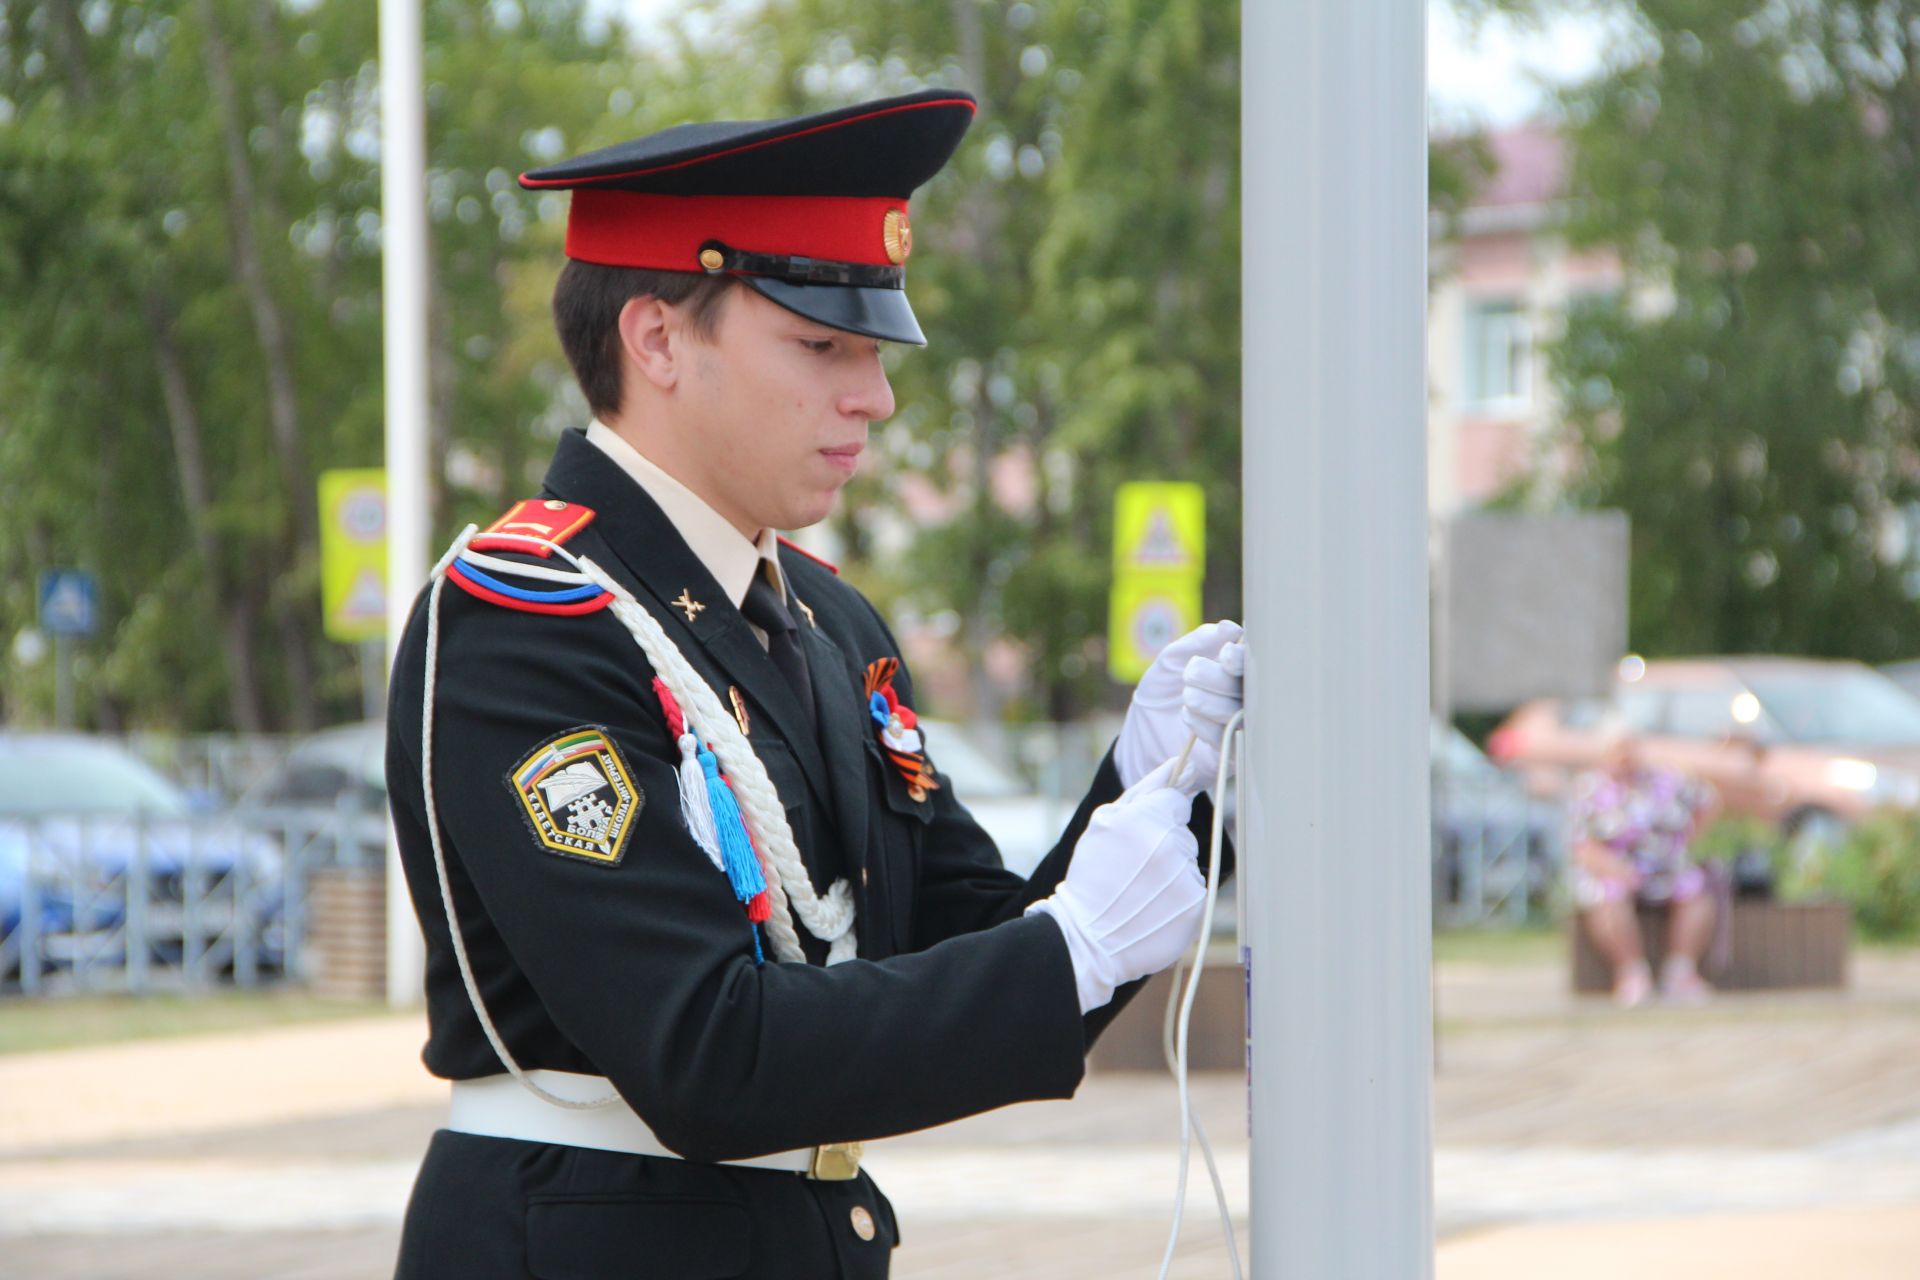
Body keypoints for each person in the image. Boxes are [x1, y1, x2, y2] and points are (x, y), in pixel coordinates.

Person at [384, 89, 1246, 1279]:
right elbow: (704, 1052)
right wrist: (1075, 945)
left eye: (874, 352)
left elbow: (981, 948)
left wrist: (1162, 783)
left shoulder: (821, 616)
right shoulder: (522, 620)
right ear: (657, 339)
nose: (874, 398)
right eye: (821, 344)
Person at [1569, 731, 1718, 1006]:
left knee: (1695, 888)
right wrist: (1614, 867)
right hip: (1614, 865)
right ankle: (1632, 973)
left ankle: (1681, 972)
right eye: (1618, 751)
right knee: (1606, 895)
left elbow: (1707, 798)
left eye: (1630, 750)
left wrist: (1690, 838)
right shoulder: (1589, 789)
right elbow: (1581, 844)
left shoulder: (1662, 780)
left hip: (1662, 863)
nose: (1626, 758)